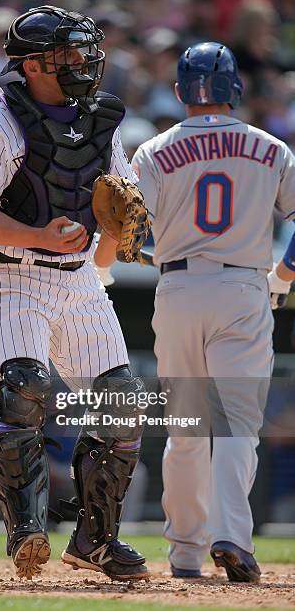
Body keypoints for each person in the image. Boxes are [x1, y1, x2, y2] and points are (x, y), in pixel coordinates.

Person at [0, 5, 149, 582]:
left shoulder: (102, 122)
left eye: (84, 49)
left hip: (81, 279)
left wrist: (116, 241)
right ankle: (26, 530)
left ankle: (95, 539)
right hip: (14, 274)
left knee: (122, 402)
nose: (82, 60)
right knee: (24, 389)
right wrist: (39, 235)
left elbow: (117, 203)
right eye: (67, 52)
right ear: (33, 64)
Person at [126, 42, 294, 581]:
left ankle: (184, 554)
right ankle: (232, 536)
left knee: (187, 430)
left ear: (179, 93)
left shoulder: (151, 151)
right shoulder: (272, 148)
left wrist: (146, 253)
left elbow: (126, 227)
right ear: (236, 91)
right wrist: (284, 276)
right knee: (238, 426)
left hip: (177, 288)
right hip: (245, 288)